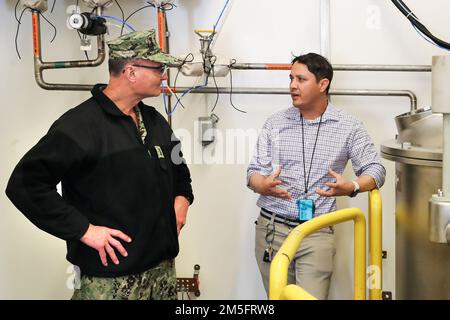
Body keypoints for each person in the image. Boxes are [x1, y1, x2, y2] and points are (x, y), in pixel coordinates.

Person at [5, 29, 194, 300]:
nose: (164, 75)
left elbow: (180, 171)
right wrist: (84, 230)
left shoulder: (155, 122)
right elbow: (25, 185)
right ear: (131, 72)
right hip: (109, 281)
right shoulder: (79, 126)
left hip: (162, 273)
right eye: (158, 68)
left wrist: (182, 200)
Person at [247, 52, 386, 299]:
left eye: (301, 79)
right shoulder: (275, 123)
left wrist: (351, 186)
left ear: (323, 84)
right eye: (291, 78)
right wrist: (263, 184)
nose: (292, 86)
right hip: (272, 229)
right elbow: (252, 174)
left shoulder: (349, 126)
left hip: (317, 231)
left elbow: (376, 171)